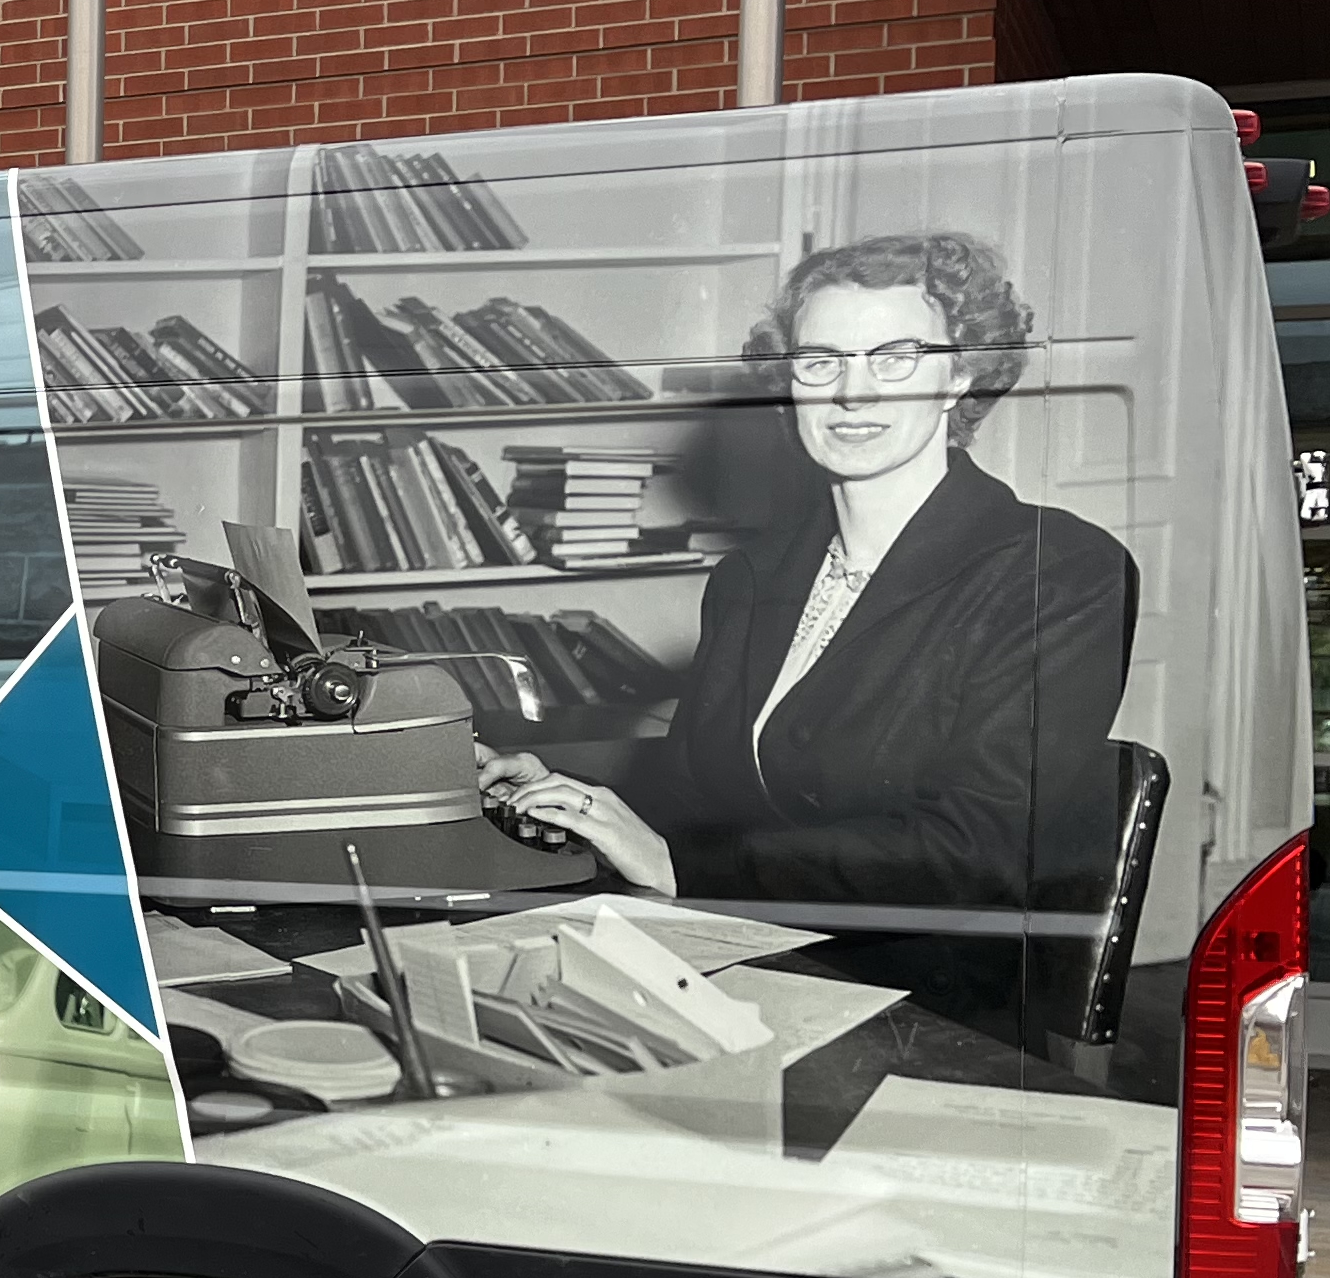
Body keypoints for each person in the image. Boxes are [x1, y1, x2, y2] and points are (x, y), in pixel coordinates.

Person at [481, 230, 1137, 1034]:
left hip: (926, 1010)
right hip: (736, 965)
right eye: (820, 361)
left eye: (894, 356)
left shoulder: (1056, 569)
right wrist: (571, 795)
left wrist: (680, 862)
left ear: (961, 373)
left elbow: (977, 851)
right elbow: (696, 791)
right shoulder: (756, 576)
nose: (852, 395)